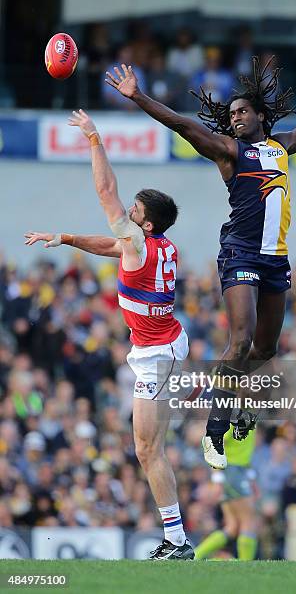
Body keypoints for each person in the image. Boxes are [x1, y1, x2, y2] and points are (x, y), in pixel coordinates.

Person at [105, 56, 296, 470]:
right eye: (232, 114)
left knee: (266, 349)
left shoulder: (282, 146)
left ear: (261, 116)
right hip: (239, 254)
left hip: (274, 259)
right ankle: (215, 430)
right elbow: (184, 126)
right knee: (240, 340)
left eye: (244, 111)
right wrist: (139, 96)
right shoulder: (230, 152)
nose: (237, 117)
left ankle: (244, 407)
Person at [24, 109, 195, 560]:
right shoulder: (155, 245)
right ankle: (176, 538)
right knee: (148, 447)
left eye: (134, 212)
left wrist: (95, 138)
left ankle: (177, 541)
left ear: (147, 225)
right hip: (161, 345)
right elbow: (112, 245)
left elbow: (105, 192)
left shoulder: (139, 242)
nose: (127, 213)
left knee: (146, 448)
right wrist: (65, 238)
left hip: (158, 351)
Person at [194, 425, 258, 561]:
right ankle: (246, 565)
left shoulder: (248, 414)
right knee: (249, 520)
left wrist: (251, 477)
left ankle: (196, 555)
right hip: (232, 472)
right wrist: (217, 478)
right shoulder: (233, 416)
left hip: (239, 472)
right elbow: (213, 441)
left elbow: (244, 451)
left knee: (232, 526)